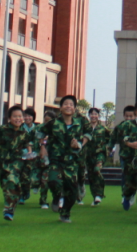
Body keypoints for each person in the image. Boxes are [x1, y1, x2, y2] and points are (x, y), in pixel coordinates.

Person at [39, 95, 91, 223]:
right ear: (61, 108)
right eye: (65, 104)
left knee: (72, 192)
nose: (68, 106)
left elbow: (89, 133)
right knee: (53, 181)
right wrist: (43, 147)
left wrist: (79, 144)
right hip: (56, 159)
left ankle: (65, 213)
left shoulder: (80, 122)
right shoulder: (53, 123)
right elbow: (40, 133)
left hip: (72, 161)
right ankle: (56, 197)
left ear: (74, 109)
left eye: (71, 104)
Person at [0, 105, 31, 221]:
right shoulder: (0, 130)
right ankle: (10, 204)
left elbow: (28, 145)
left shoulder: (24, 132)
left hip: (16, 163)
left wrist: (29, 155)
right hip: (1, 163)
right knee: (6, 185)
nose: (18, 119)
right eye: (15, 116)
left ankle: (9, 210)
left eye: (20, 116)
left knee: (12, 182)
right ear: (9, 118)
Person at [79, 107, 110, 205]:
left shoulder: (103, 128)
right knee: (91, 176)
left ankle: (99, 194)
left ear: (98, 116)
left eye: (95, 114)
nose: (93, 116)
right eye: (92, 114)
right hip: (88, 155)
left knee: (97, 170)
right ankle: (95, 196)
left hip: (100, 154)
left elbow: (110, 139)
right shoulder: (85, 128)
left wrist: (107, 149)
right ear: (89, 116)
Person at [111, 105, 137, 210]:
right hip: (124, 156)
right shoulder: (120, 127)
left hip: (136, 157)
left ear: (135, 116)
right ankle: (125, 195)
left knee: (134, 176)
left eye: (131, 116)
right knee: (125, 175)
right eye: (127, 116)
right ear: (123, 116)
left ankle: (132, 194)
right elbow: (114, 139)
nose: (128, 118)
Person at [37, 109, 56, 208]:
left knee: (55, 181)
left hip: (55, 158)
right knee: (44, 181)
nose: (47, 123)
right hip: (44, 158)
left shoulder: (57, 129)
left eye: (49, 121)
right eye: (45, 120)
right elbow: (38, 139)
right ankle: (43, 201)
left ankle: (57, 200)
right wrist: (42, 144)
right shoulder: (41, 129)